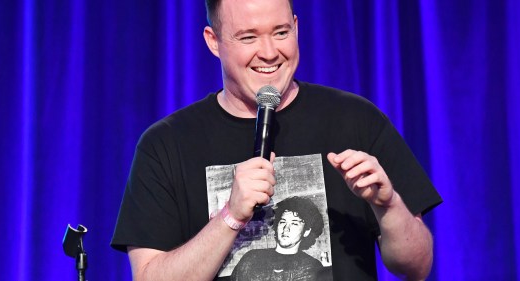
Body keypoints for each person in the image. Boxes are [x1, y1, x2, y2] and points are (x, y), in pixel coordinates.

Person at [111, 0, 443, 280]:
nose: (269, 52)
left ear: (296, 27)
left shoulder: (356, 120)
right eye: (248, 37)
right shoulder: (167, 144)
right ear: (214, 41)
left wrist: (388, 207)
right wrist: (231, 216)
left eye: (281, 32)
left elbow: (418, 265)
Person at [230, 196, 331, 281]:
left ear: (306, 231)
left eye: (294, 223)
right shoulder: (251, 258)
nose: (286, 229)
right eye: (282, 222)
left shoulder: (312, 267)